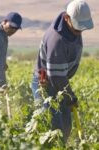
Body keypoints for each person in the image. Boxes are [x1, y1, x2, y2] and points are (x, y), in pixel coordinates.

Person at [31, 0, 93, 142]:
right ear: (67, 18)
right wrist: (70, 97)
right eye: (78, 28)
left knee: (66, 122)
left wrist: (68, 97)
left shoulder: (71, 28)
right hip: (45, 84)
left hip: (59, 81)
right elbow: (57, 77)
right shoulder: (57, 39)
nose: (79, 32)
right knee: (53, 127)